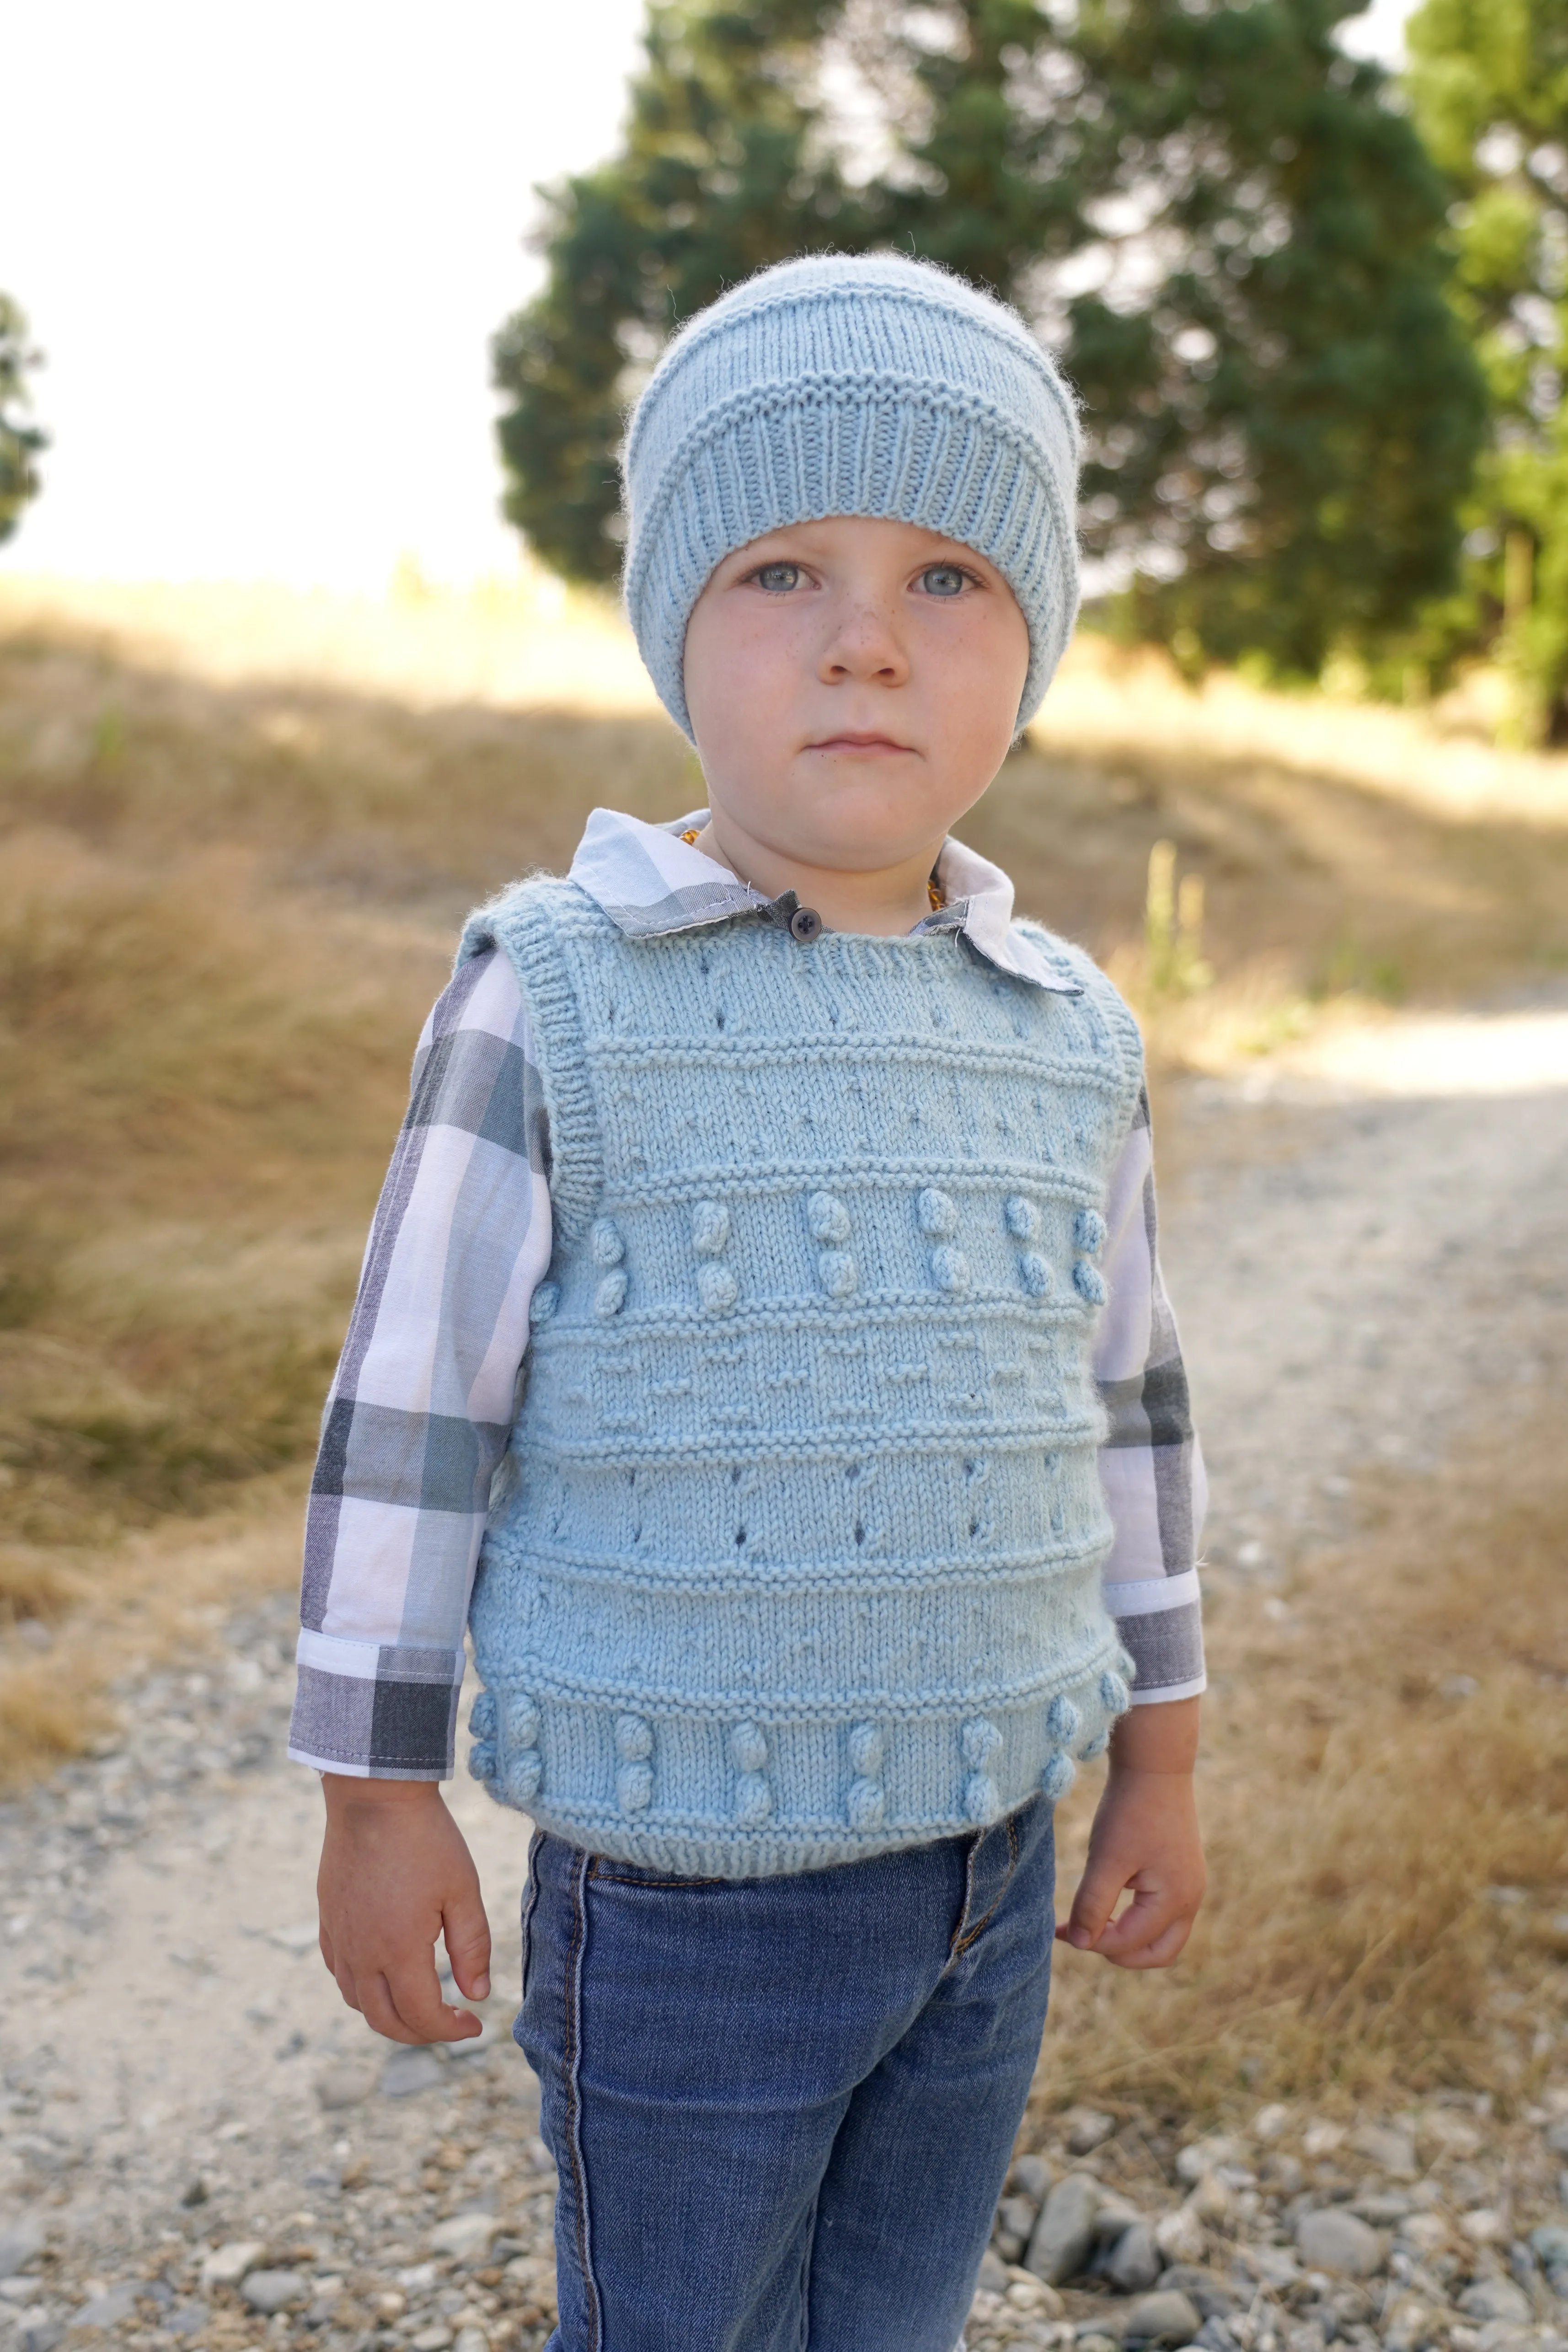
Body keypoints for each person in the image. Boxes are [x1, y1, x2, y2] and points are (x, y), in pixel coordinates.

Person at [289, 252, 1208, 2352]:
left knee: (889, 2314)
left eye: (950, 580)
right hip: (687, 1886)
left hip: (995, 1852)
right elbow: (410, 1411)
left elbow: (1131, 1411)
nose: (867, 641)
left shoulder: (1067, 1029)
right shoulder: (559, 994)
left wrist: (1157, 1750)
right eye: (783, 569)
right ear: (673, 627)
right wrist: (374, 1790)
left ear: (1033, 654)